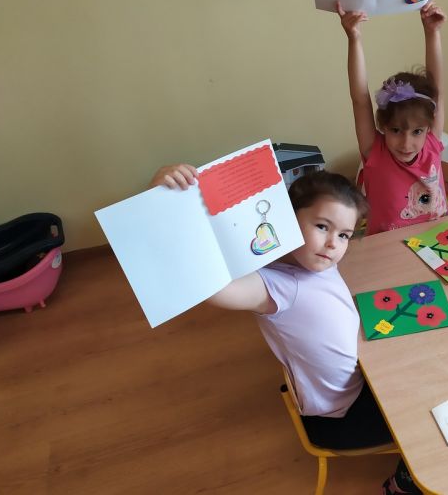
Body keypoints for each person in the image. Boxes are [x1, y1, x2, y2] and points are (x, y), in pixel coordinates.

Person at [149, 165, 422, 494]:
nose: (332, 244)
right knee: (429, 415)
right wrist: (162, 201)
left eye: (344, 235)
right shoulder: (275, 286)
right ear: (288, 220)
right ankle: (402, 484)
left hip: (359, 380)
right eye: (322, 226)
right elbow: (210, 288)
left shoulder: (315, 263)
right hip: (339, 418)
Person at [337, 0, 448, 235]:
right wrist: (354, 38)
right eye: (396, 130)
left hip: (438, 239)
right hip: (388, 247)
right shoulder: (375, 152)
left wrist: (432, 33)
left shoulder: (432, 143)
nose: (406, 144)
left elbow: (438, 91)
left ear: (427, 127)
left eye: (417, 131)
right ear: (383, 125)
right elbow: (360, 100)